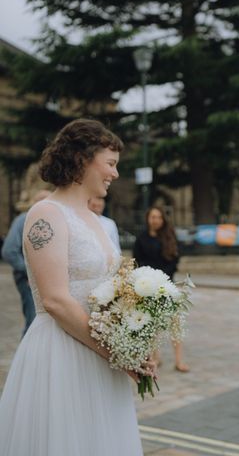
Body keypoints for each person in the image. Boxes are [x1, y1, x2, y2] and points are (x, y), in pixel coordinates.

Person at [0, 119, 150, 455]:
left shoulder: (96, 220)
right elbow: (54, 300)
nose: (115, 174)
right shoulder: (46, 214)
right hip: (62, 352)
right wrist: (116, 352)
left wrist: (135, 341)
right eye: (110, 164)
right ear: (83, 159)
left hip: (101, 354)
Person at [133, 206, 189, 372]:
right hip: (148, 286)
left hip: (167, 285)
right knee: (152, 324)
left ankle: (179, 360)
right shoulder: (141, 239)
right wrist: (148, 278)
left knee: (175, 323)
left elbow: (174, 260)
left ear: (162, 219)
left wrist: (162, 278)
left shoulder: (169, 237)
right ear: (148, 219)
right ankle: (155, 357)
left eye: (158, 217)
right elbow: (137, 261)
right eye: (152, 217)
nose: (155, 220)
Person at [1, 190, 51, 337]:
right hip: (28, 280)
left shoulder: (49, 222)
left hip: (44, 279)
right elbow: (8, 250)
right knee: (33, 323)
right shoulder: (24, 219)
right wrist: (29, 272)